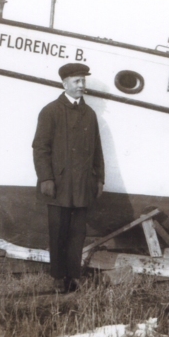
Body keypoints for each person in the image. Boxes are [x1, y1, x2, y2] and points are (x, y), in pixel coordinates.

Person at [32, 63, 105, 293]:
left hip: (83, 185)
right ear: (64, 84)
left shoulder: (90, 114)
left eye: (83, 81)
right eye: (77, 81)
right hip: (59, 186)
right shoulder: (50, 111)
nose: (82, 85)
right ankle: (57, 277)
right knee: (58, 233)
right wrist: (46, 178)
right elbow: (40, 147)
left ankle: (74, 276)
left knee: (78, 234)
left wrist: (99, 179)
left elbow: (97, 150)